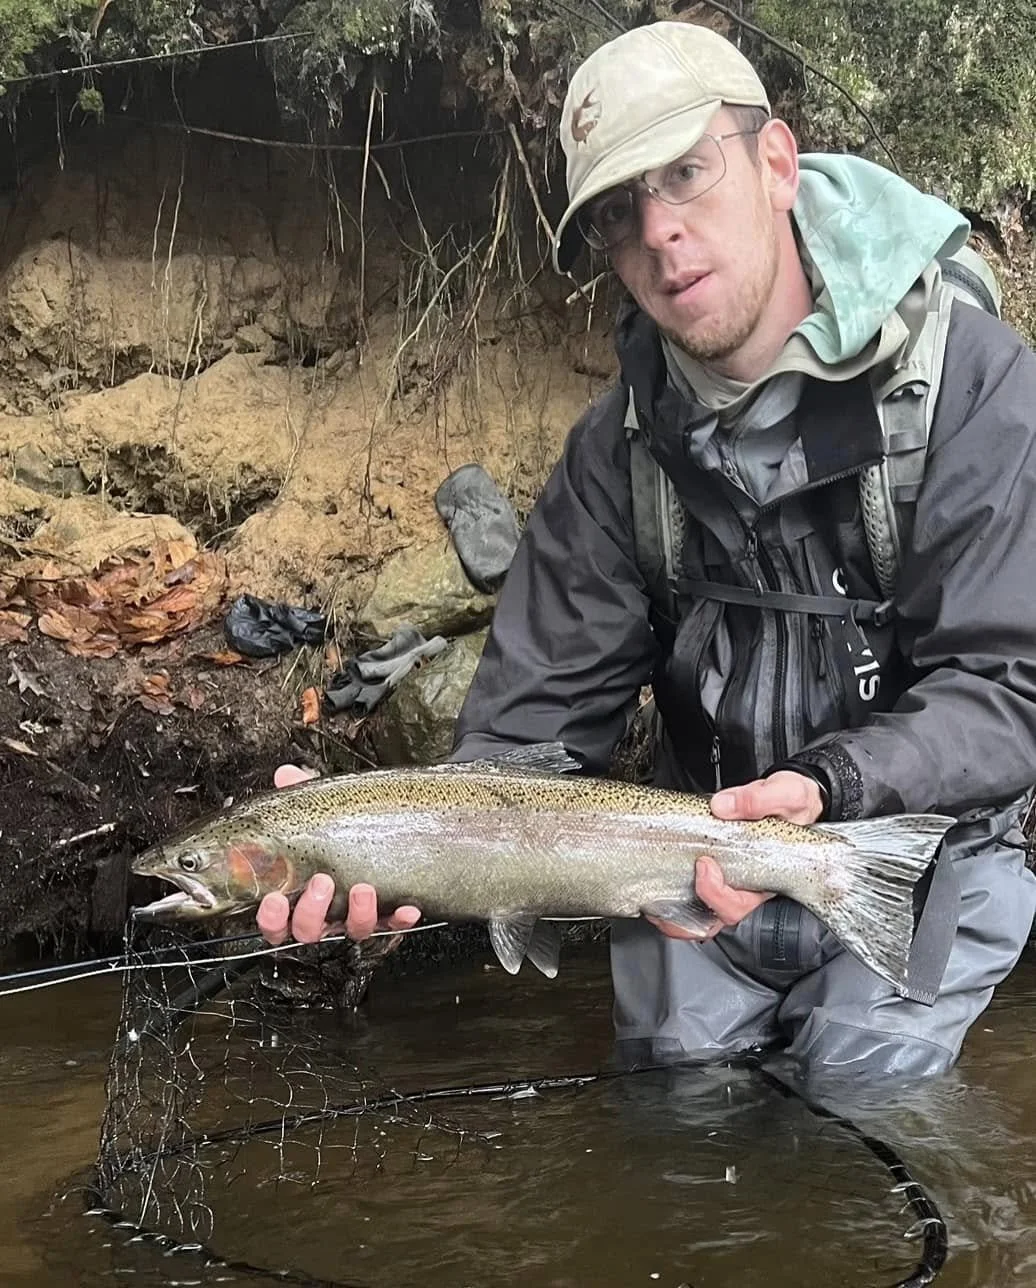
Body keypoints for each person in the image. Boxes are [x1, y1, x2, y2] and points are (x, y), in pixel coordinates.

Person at [258, 21, 1036, 1077]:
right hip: (679, 869)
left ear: (774, 164)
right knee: (675, 1121)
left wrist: (831, 788)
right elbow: (522, 752)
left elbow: (1007, 684)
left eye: (687, 172)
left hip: (919, 847)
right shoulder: (610, 457)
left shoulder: (972, 387)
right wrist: (373, 835)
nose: (662, 232)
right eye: (622, 213)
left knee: (866, 1103)